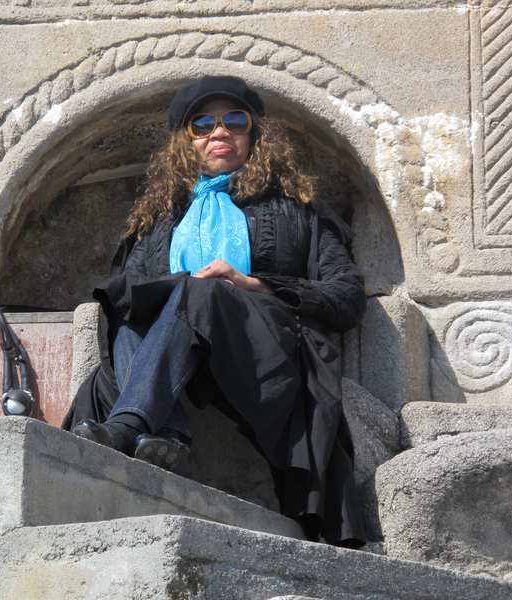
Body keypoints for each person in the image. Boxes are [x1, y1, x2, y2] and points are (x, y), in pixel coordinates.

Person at [64, 75, 367, 546]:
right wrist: (173, 290)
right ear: (185, 142)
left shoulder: (298, 210)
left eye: (234, 121)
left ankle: (129, 423)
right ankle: (165, 434)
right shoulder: (159, 220)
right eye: (202, 125)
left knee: (203, 291)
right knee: (130, 310)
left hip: (265, 357)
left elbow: (346, 296)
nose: (219, 132)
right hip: (178, 355)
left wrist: (253, 284)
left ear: (254, 133)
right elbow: (128, 296)